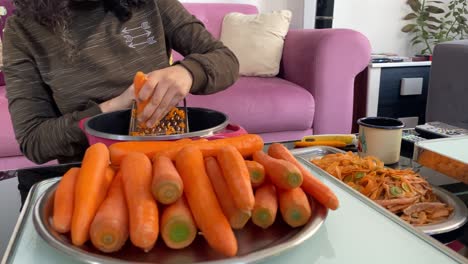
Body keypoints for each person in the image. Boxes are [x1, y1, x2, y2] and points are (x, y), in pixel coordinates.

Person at [2, 0, 239, 164]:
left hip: (171, 159)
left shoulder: (152, 4)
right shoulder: (22, 31)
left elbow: (226, 60)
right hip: (91, 173)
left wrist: (188, 73)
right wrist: (116, 107)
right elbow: (35, 142)